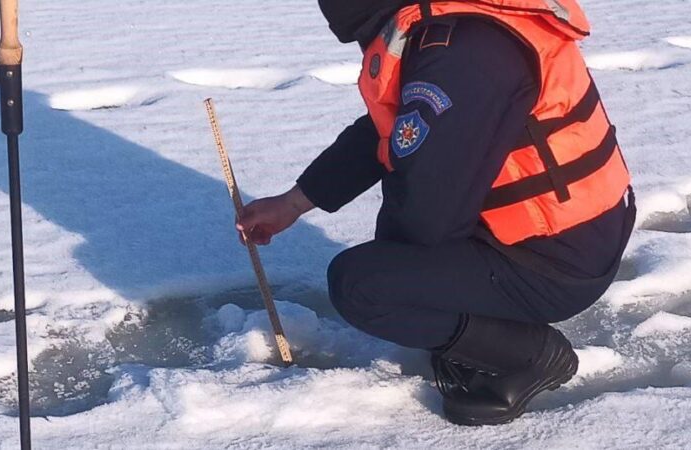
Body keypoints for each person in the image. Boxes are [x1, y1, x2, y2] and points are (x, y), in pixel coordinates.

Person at [236, 0, 635, 426]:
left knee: (362, 285)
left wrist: (402, 282)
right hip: (571, 235)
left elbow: (429, 218)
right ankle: (473, 327)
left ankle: (528, 356)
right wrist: (295, 202)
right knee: (396, 258)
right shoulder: (453, 28)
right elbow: (397, 127)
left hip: (555, 263)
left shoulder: (464, 53)